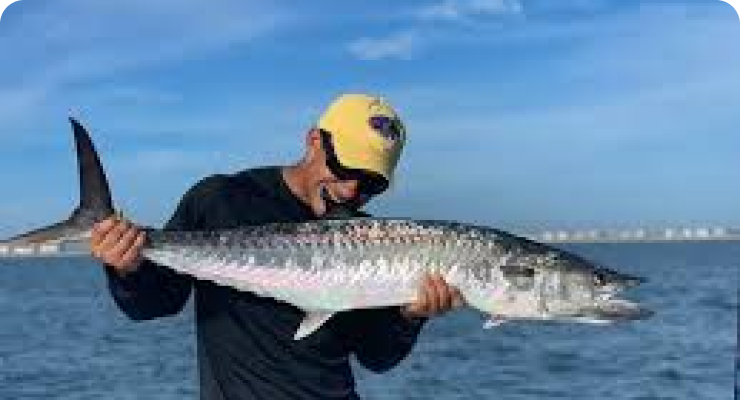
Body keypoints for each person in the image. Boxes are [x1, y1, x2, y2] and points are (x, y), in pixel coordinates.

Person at [91, 93, 463, 400]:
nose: (351, 190)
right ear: (314, 140)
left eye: (371, 183)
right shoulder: (221, 200)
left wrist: (410, 317)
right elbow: (155, 303)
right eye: (344, 167)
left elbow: (376, 358)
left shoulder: (374, 244)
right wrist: (126, 268)